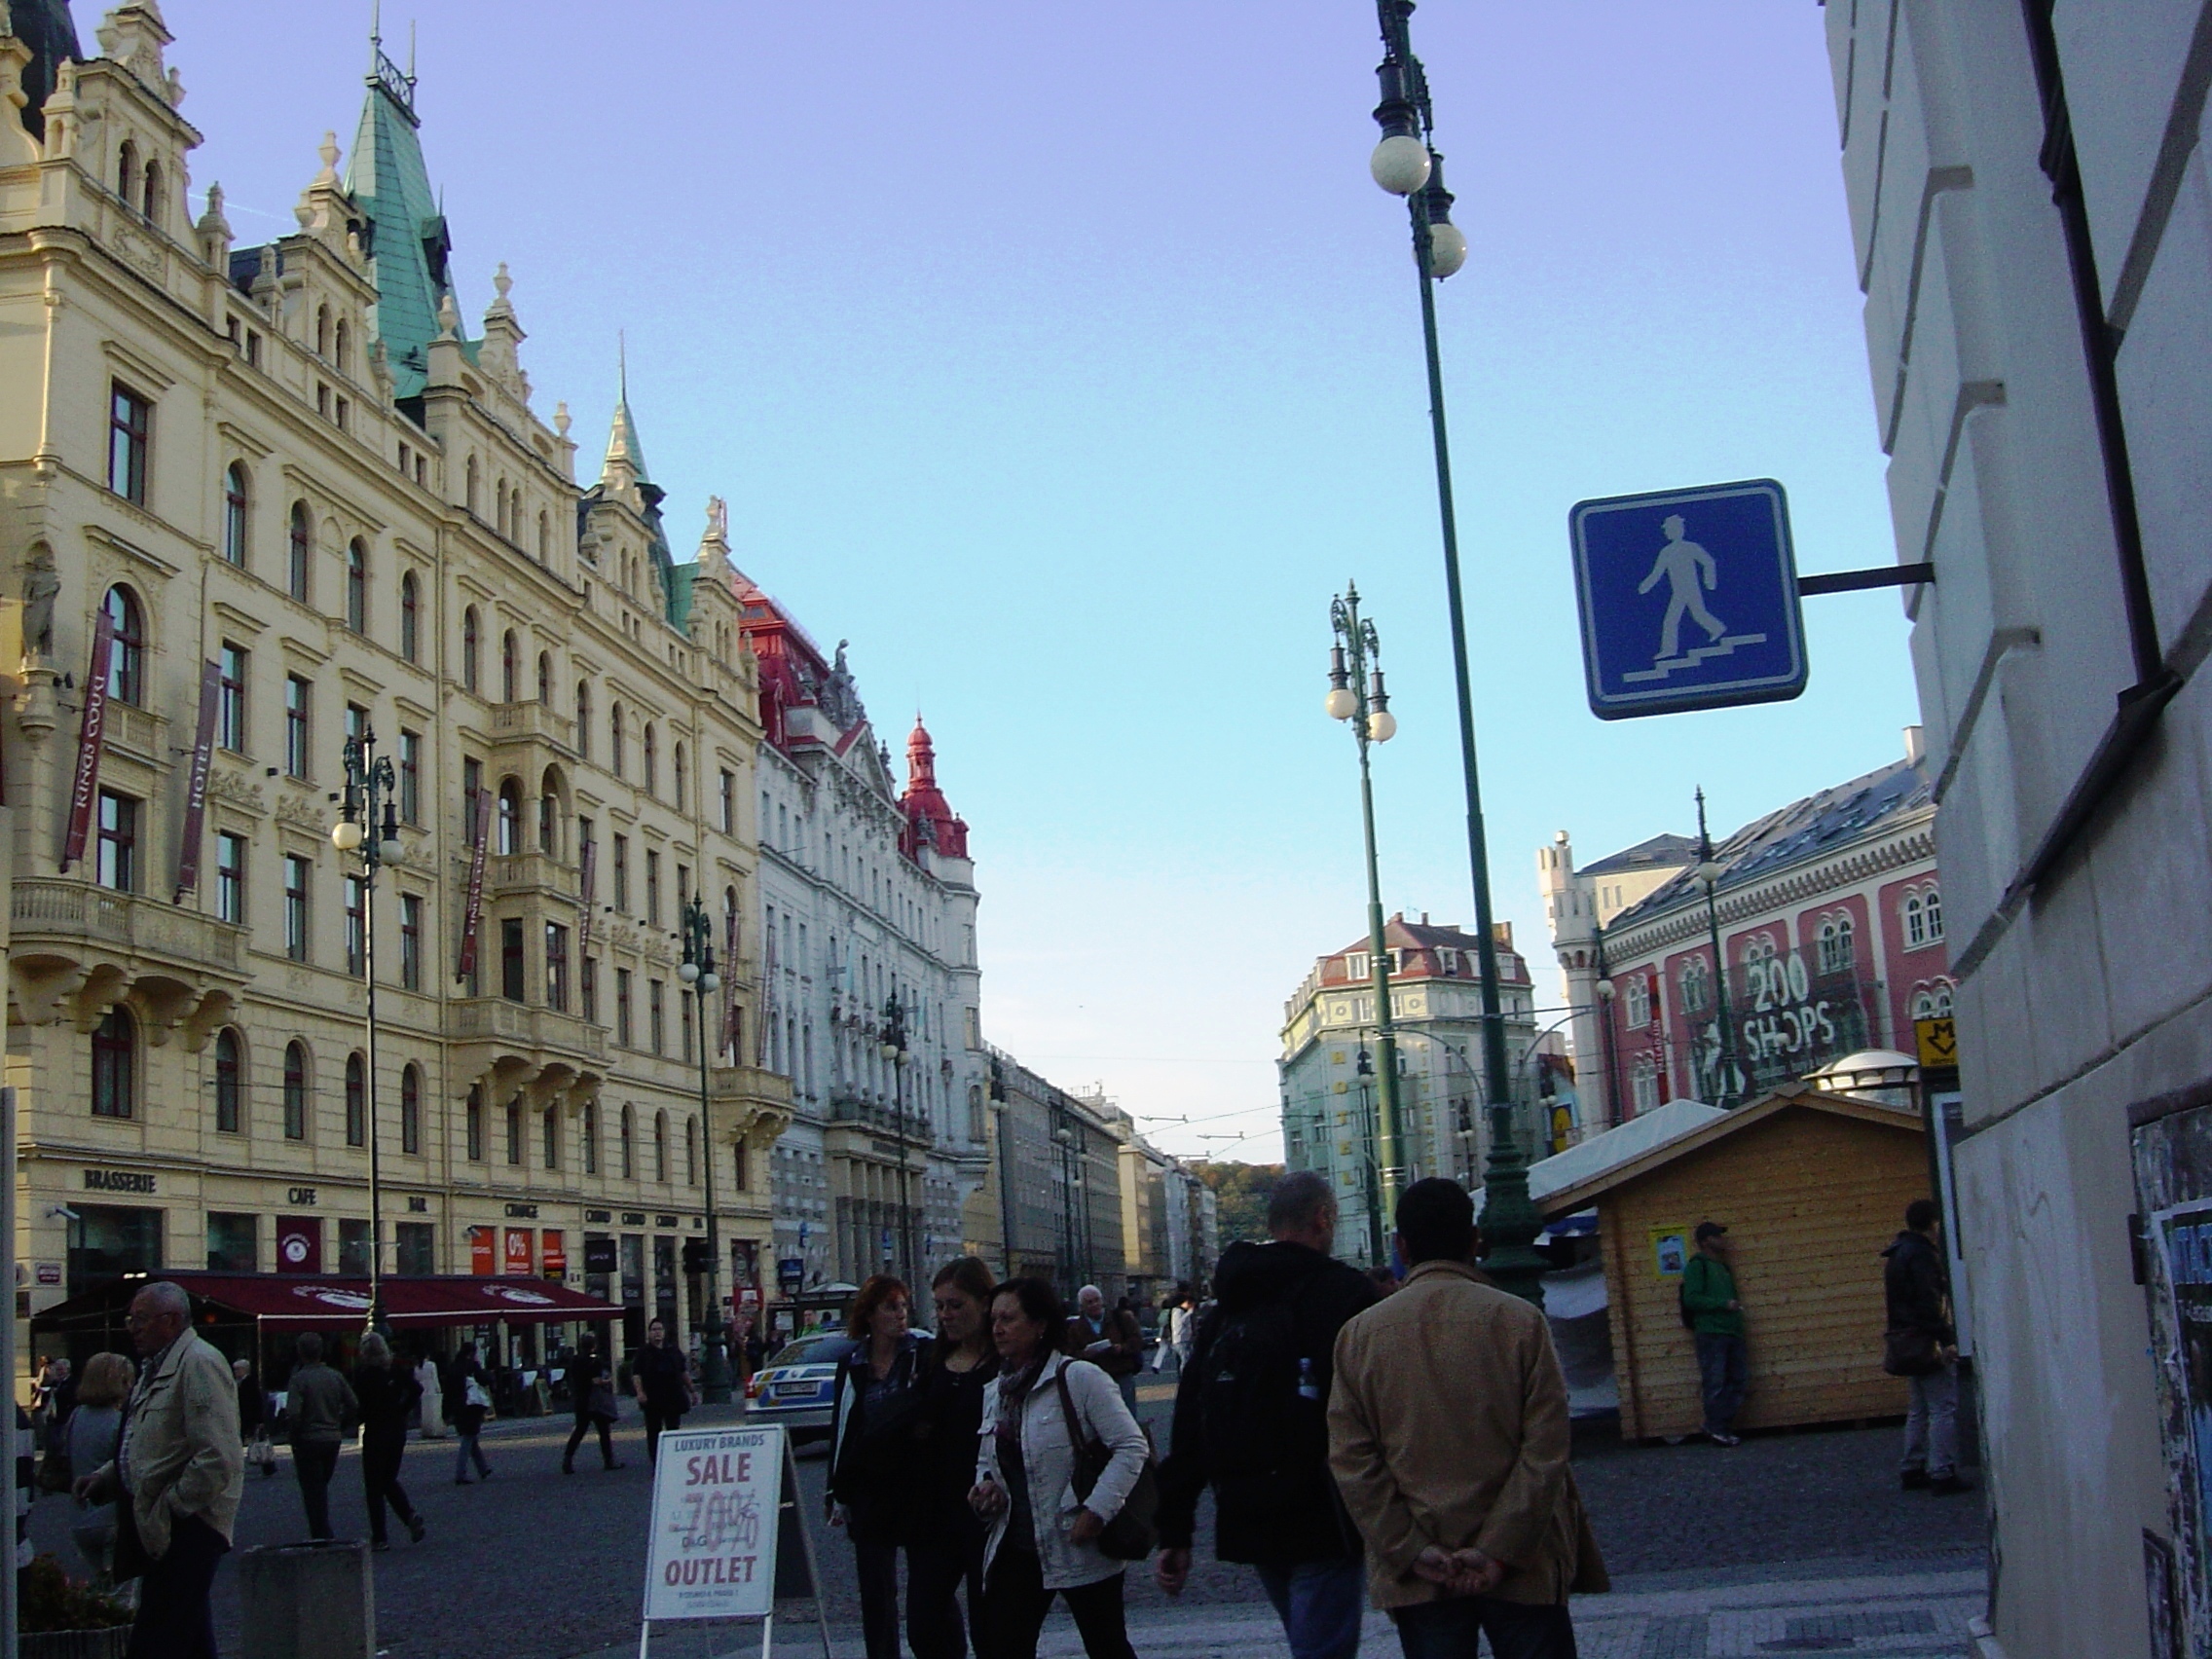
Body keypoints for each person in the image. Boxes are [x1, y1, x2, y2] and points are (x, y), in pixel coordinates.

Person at [1329, 1179, 1606, 1659]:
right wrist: (1499, 1548)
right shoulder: (1519, 1321)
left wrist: (1409, 1548)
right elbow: (1546, 1448)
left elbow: (1353, 1460)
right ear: (1475, 1240)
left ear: (1402, 1246)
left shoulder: (1360, 1336)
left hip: (1423, 1567)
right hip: (1522, 1561)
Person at [1157, 1169, 1379, 1659]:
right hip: (1323, 1509)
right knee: (1323, 1646)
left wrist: (1175, 1528)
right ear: (1323, 1218)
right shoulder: (1344, 1295)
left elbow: (1191, 1416)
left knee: (1306, 1635)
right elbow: (1381, 1407)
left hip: (1247, 1504)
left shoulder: (1230, 1305)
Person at [971, 1277, 1149, 1659]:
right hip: (1017, 1546)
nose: (997, 1328)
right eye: (994, 1319)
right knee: (1004, 1647)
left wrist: (1097, 1510)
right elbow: (989, 1459)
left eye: (1008, 1319)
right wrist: (986, 1485)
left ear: (1039, 1325)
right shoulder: (996, 1391)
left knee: (1107, 1646)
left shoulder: (1079, 1378)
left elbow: (1131, 1446)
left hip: (1077, 1541)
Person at [74, 1281, 245, 1659]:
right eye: (130, 1319)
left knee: (157, 1638)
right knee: (187, 1634)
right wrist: (106, 1477)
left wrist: (173, 1506)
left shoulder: (199, 1363)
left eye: (140, 1319)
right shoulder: (154, 1367)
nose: (132, 1328)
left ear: (171, 1320)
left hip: (189, 1523)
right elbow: (146, 1442)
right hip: (161, 1521)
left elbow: (219, 1457)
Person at [829, 1275, 935, 1659]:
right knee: (876, 1592)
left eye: (904, 1306)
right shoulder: (853, 1363)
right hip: (869, 1489)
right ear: (870, 1314)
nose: (901, 1314)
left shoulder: (923, 1354)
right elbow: (843, 1425)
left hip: (916, 1485)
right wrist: (835, 1492)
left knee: (930, 1588)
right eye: (891, 1307)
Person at [909, 1258, 1000, 1659]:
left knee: (991, 1630)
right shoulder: (932, 1361)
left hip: (989, 1511)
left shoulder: (1003, 1363)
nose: (946, 1314)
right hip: (935, 1511)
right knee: (924, 1623)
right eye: (940, 1306)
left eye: (956, 1305)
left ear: (984, 1303)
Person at [1884, 1198, 1967, 1495]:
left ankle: (1912, 1466)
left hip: (1906, 1341)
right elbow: (1929, 1303)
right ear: (1933, 1223)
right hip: (1926, 1341)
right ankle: (1942, 1471)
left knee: (1918, 1407)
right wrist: (1947, 1340)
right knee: (1943, 1407)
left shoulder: (1897, 1253)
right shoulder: (1922, 1255)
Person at [354, 1333, 425, 1550]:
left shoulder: (365, 1376)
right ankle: (408, 1515)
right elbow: (417, 1389)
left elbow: (359, 1406)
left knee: (374, 1486)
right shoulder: (394, 1369)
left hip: (376, 1431)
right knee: (388, 1479)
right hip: (396, 1429)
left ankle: (380, 1536)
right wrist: (402, 1411)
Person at [66, 1351, 131, 1582]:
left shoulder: (77, 1415)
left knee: (99, 1586)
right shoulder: (120, 1421)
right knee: (123, 1590)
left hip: (81, 1517)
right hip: (113, 1518)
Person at [284, 1332, 357, 1540]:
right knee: (321, 1484)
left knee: (312, 1489)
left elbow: (294, 1413)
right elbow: (353, 1404)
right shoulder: (335, 1376)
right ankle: (322, 1531)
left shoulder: (299, 1379)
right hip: (332, 1437)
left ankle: (321, 1532)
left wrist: (294, 1436)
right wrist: (340, 1424)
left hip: (309, 1439)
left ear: (300, 1352)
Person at [1682, 1220, 1749, 1447]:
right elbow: (1691, 1299)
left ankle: (1720, 1426)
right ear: (1705, 1241)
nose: (1722, 1240)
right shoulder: (1697, 1266)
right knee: (1716, 1382)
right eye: (1717, 1236)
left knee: (1738, 1381)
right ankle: (1716, 1427)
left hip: (1732, 1332)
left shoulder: (1723, 1267)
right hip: (1711, 1332)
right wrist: (1723, 1304)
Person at [1063, 1285, 1143, 1418]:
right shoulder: (1075, 1328)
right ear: (1082, 1306)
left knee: (1127, 1415)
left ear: (1102, 1301)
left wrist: (1122, 1348)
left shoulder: (1121, 1318)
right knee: (1101, 1418)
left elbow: (1137, 1341)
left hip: (1121, 1374)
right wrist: (1085, 1354)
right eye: (1089, 1302)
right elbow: (1070, 1355)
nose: (1094, 1305)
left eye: (1097, 1300)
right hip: (1094, 1379)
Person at [631, 1318, 696, 1465]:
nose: (657, 1333)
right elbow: (636, 1374)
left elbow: (683, 1372)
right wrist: (640, 1392)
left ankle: (673, 1460)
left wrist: (692, 1391)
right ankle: (656, 1462)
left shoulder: (673, 1351)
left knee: (673, 1430)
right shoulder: (643, 1353)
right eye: (654, 1330)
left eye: (659, 1329)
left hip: (673, 1396)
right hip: (652, 1398)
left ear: (664, 1332)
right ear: (649, 1333)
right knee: (654, 1432)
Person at [562, 1333, 624, 1472]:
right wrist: (607, 1381)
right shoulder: (595, 1362)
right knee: (603, 1431)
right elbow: (596, 1381)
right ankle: (609, 1460)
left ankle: (567, 1459)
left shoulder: (575, 1360)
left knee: (579, 1430)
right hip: (595, 1400)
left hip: (581, 1399)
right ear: (594, 1346)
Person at [449, 1341, 494, 1485]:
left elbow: (447, 1391)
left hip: (457, 1406)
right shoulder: (471, 1366)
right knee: (468, 1438)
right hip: (471, 1405)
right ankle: (460, 1473)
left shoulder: (453, 1367)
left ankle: (483, 1468)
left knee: (471, 1438)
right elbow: (485, 1379)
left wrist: (446, 1411)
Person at [414, 1346, 450, 1440]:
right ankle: (434, 1428)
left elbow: (416, 1378)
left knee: (424, 1411)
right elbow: (435, 1377)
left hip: (421, 1388)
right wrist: (438, 1388)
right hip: (431, 1387)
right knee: (433, 1410)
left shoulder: (417, 1367)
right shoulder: (431, 1365)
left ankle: (425, 1429)